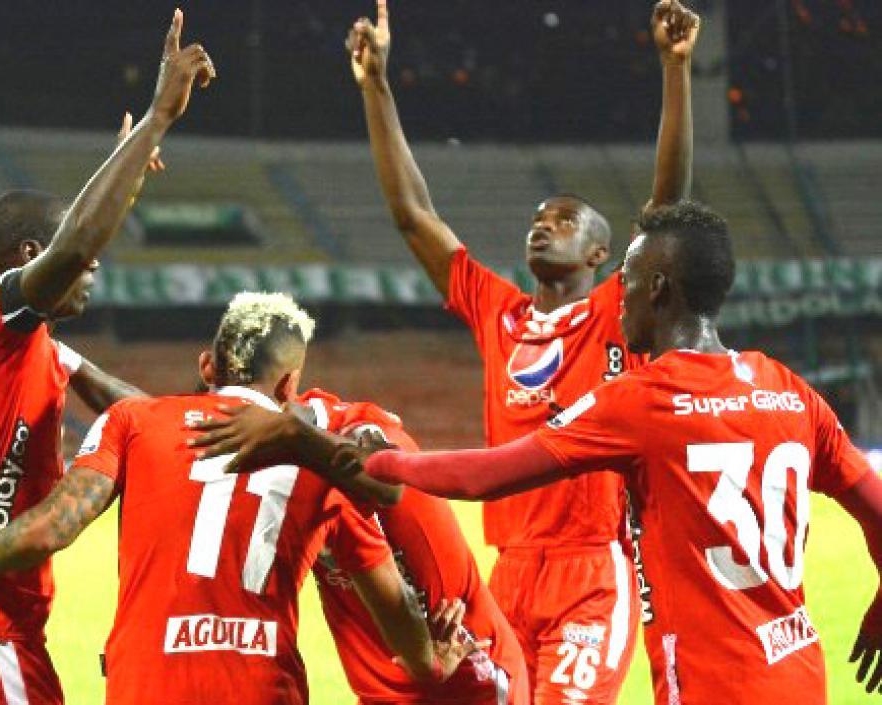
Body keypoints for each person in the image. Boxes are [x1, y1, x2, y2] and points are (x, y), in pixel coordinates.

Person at [188, 201, 882, 705]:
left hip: (709, 682)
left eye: (629, 279)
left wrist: (376, 460)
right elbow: (874, 505)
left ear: (660, 289)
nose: (620, 297)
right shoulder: (787, 388)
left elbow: (489, 475)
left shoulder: (645, 399)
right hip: (799, 671)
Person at [341, 1, 699, 700]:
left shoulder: (616, 311)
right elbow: (414, 216)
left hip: (590, 570)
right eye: (538, 219)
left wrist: (676, 69)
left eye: (564, 220)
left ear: (600, 253)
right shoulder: (496, 310)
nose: (543, 226)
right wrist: (376, 85)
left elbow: (666, 211)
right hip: (507, 572)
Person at [0, 292, 484, 705]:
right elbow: (392, 604)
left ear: (207, 366)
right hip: (261, 687)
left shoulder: (131, 421)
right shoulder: (318, 465)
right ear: (289, 385)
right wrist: (430, 661)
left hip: (144, 686)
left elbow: (56, 524)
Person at [0, 10, 216, 705]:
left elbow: (138, 413)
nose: (94, 269)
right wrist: (158, 117)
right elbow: (76, 247)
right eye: (76, 257)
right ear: (29, 257)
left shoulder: (37, 350)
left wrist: (221, 417)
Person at [299, 389, 528, 705]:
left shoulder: (344, 461)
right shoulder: (293, 452)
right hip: (389, 688)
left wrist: (426, 665)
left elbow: (392, 596)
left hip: (468, 679)